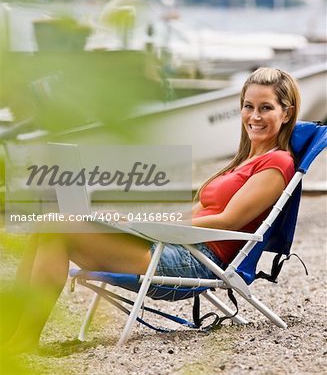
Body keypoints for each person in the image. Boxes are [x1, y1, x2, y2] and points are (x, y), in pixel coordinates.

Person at [4, 67, 301, 353]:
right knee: (48, 224)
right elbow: (192, 214)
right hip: (176, 245)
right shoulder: (242, 162)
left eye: (266, 108)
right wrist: (133, 222)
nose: (255, 116)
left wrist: (150, 227)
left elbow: (229, 220)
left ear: (286, 113)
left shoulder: (277, 164)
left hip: (196, 260)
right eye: (249, 106)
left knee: (60, 227)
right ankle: (11, 333)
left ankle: (23, 340)